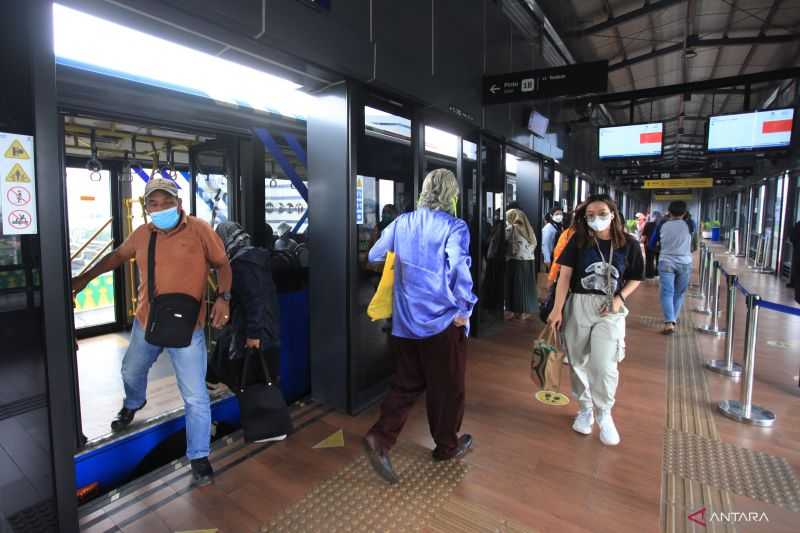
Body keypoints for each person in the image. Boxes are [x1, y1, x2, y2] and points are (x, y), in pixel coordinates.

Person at [71, 178, 232, 486]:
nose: (159, 208)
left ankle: (198, 456)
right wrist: (85, 278)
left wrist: (223, 298)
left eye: (166, 202)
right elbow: (116, 257)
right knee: (131, 370)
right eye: (152, 204)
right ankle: (134, 403)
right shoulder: (142, 234)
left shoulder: (199, 230)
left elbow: (223, 265)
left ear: (179, 203)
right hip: (148, 321)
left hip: (189, 328)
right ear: (146, 208)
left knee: (196, 397)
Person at [363, 168, 477, 484]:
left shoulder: (402, 222)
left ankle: (380, 438)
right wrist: (465, 307)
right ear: (452, 195)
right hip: (442, 322)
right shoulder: (455, 227)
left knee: (405, 385)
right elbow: (458, 268)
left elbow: (374, 254)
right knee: (448, 387)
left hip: (404, 323)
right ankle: (446, 447)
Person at [548, 194, 644, 446]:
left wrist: (620, 298)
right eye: (590, 215)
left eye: (601, 213)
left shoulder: (629, 245)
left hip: (610, 307)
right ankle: (585, 408)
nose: (596, 219)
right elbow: (565, 277)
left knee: (604, 366)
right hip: (579, 303)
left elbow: (636, 277)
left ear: (613, 214)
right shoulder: (578, 242)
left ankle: (604, 413)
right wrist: (557, 310)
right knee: (577, 361)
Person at [211, 223, 282, 439]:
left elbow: (254, 301)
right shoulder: (254, 258)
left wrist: (253, 335)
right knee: (260, 379)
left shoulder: (241, 264)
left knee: (252, 381)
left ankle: (268, 430)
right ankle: (269, 429)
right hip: (264, 330)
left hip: (255, 333)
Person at [649, 201, 695, 334]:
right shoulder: (690, 224)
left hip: (666, 261)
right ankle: (672, 318)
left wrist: (662, 249)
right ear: (685, 213)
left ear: (669, 212)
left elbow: (651, 244)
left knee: (667, 292)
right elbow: (694, 243)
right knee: (679, 293)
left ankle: (669, 321)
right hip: (685, 262)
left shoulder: (662, 224)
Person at [505, 208, 538, 320]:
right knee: (527, 286)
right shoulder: (529, 229)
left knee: (516, 286)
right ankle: (525, 311)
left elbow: (504, 240)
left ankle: (514, 310)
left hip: (516, 261)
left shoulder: (511, 228)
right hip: (529, 261)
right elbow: (534, 243)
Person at [541, 206, 564, 272]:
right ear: (551, 215)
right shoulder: (548, 228)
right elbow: (545, 245)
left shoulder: (559, 226)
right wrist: (548, 260)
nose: (559, 216)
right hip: (552, 257)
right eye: (557, 214)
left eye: (561, 214)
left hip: (559, 257)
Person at [641, 211, 662, 279]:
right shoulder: (662, 225)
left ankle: (649, 275)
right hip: (660, 246)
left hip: (649, 246)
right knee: (659, 260)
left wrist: (641, 241)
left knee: (649, 261)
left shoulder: (648, 224)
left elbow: (644, 237)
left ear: (653, 216)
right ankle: (657, 273)